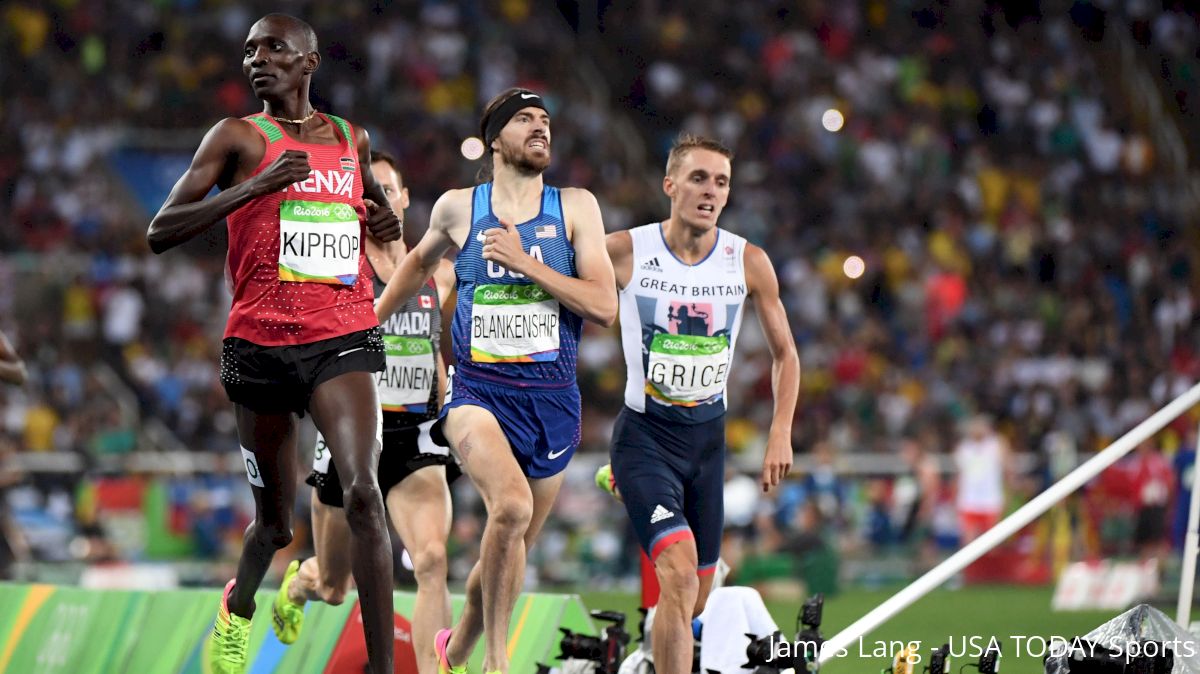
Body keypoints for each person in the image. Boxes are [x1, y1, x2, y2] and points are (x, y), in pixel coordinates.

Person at [146, 14, 401, 674]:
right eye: (250, 49)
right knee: (276, 527)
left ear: (308, 63)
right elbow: (160, 229)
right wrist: (253, 188)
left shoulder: (351, 138)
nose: (257, 59)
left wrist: (385, 214)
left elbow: (372, 205)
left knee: (363, 494)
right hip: (257, 345)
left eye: (274, 48)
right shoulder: (235, 136)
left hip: (338, 334)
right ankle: (239, 607)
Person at [375, 87, 617, 674]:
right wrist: (368, 321)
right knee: (508, 510)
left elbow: (605, 306)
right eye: (525, 120)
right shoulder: (459, 207)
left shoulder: (576, 207)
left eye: (546, 120)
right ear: (494, 139)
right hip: (477, 396)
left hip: (553, 401)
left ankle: (453, 649)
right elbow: (417, 263)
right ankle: (496, 662)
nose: (541, 128)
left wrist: (525, 262)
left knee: (511, 551)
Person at [602, 133, 800, 674]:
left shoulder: (747, 261)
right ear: (670, 185)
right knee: (679, 574)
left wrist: (780, 430)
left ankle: (649, 657)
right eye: (698, 178)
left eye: (721, 182)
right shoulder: (624, 251)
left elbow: (786, 354)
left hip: (707, 443)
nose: (710, 191)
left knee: (696, 598)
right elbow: (571, 305)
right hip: (645, 436)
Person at [271, 150, 459, 674]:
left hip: (414, 436)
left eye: (387, 190)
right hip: (351, 438)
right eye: (366, 191)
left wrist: (446, 390)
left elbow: (432, 345)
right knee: (335, 587)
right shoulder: (337, 269)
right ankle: (299, 584)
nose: (377, 200)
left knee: (432, 560)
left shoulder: (438, 274)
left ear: (403, 200)